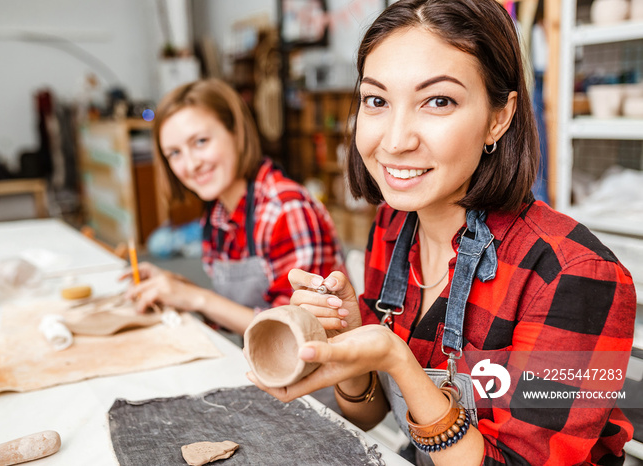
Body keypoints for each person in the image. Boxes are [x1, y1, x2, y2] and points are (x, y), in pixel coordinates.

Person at [245, 1, 637, 465]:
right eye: (377, 100)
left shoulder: (573, 276)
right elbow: (369, 414)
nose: (395, 140)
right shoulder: (394, 227)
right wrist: (348, 345)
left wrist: (395, 359)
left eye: (438, 101)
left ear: (499, 117)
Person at [124, 78, 345, 336]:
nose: (191, 164)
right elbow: (236, 311)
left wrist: (196, 297)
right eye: (174, 153)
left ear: (236, 133)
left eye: (201, 142)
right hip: (263, 358)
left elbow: (298, 329)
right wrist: (174, 287)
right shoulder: (217, 214)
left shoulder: (285, 209)